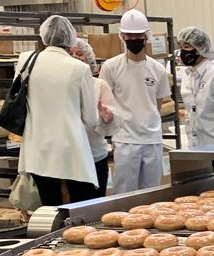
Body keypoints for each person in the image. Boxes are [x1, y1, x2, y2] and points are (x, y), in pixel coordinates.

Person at [17, 15, 104, 205]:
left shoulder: (25, 60)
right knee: (80, 209)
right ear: (71, 38)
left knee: (50, 206)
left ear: (44, 35)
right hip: (70, 150)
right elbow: (90, 118)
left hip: (36, 147)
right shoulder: (79, 68)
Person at [99, 9, 170, 195]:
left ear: (146, 36)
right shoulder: (111, 67)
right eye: (129, 35)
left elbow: (157, 104)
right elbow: (105, 103)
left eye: (138, 35)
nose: (134, 39)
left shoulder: (157, 69)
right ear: (122, 36)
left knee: (152, 194)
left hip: (152, 139)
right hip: (125, 139)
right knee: (124, 194)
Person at [178, 26, 214, 172]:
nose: (183, 52)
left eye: (187, 47)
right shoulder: (187, 76)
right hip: (195, 149)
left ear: (200, 49)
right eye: (181, 47)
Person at [71, 38, 117, 194]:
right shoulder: (60, 87)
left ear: (89, 59)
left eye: (80, 54)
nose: (76, 57)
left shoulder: (99, 85)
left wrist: (108, 117)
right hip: (69, 158)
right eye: (71, 54)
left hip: (95, 154)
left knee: (95, 204)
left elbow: (112, 123)